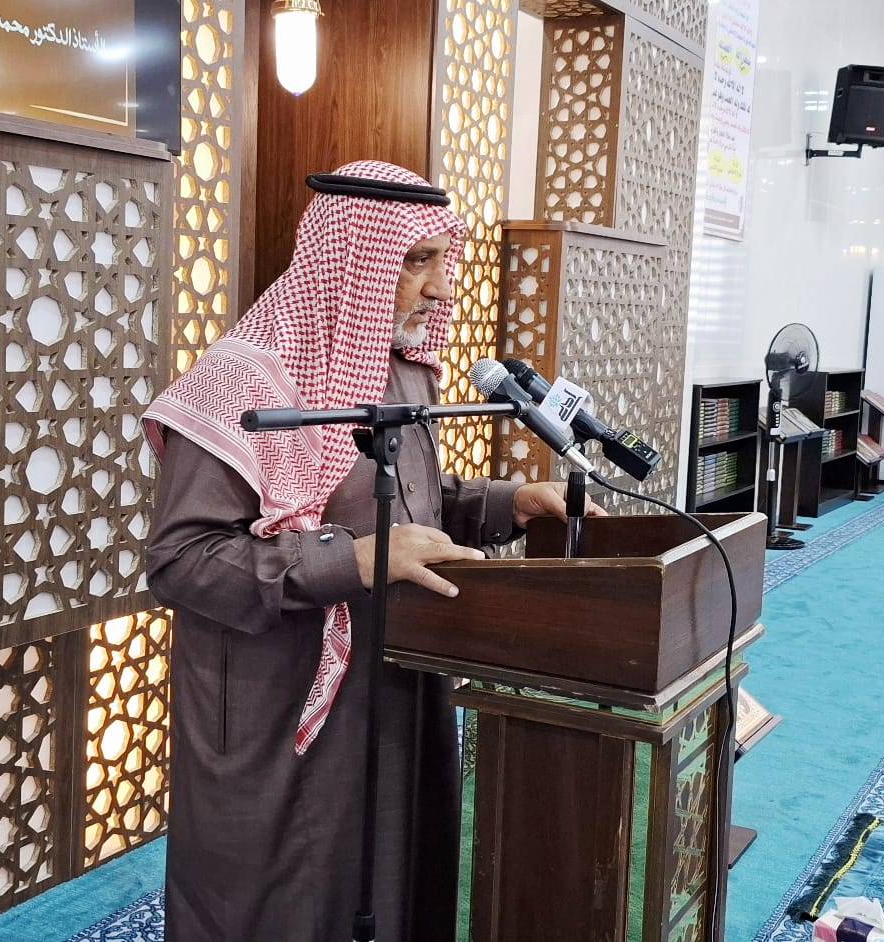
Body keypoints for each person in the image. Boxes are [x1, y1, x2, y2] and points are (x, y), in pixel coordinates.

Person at [142, 160, 601, 942]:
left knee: (396, 876)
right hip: (277, 698)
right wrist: (352, 562)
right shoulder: (239, 384)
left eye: (441, 260)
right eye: (416, 261)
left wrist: (509, 503)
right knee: (292, 898)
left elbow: (409, 499)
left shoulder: (401, 370)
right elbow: (182, 560)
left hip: (398, 677)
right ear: (351, 259)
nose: (439, 288)